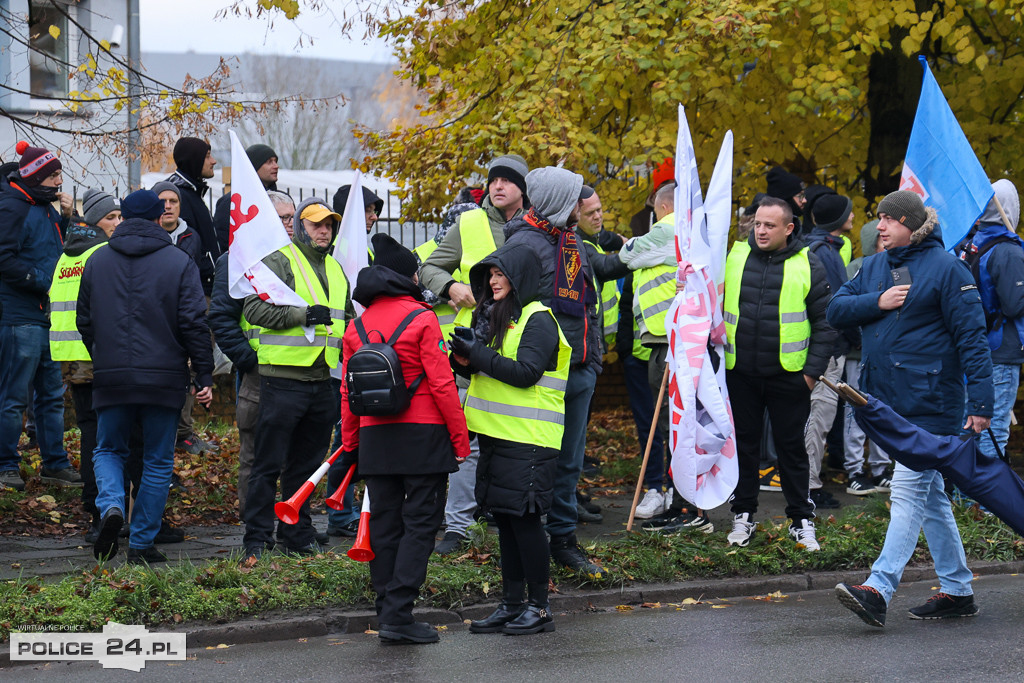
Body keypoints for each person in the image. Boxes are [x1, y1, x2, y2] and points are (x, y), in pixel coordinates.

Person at [830, 190, 993, 627]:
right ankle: (958, 590)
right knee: (932, 498)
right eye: (878, 218)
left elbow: (973, 339)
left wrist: (980, 402)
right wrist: (877, 302)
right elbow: (835, 310)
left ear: (911, 223)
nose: (880, 226)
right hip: (887, 402)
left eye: (889, 219)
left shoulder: (947, 268)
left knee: (907, 491)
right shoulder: (873, 267)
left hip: (933, 404)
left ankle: (878, 588)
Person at [339, 233, 469, 645]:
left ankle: (386, 608)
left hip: (376, 438)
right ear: (407, 278)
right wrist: (459, 440)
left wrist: (351, 440)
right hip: (424, 436)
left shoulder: (355, 327)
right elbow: (443, 384)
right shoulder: (422, 318)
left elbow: (347, 391)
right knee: (422, 524)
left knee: (384, 523)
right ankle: (398, 613)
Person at [79, 190, 213, 564]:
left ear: (122, 219)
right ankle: (141, 543)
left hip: (112, 377)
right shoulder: (179, 261)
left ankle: (109, 507)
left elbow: (84, 321)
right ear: (158, 219)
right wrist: (203, 373)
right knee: (156, 460)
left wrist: (104, 357)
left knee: (108, 449)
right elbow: (193, 323)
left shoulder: (97, 261)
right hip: (164, 379)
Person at [451, 243, 568, 636]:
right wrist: (464, 357)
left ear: (519, 278)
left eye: (501, 274)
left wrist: (478, 355)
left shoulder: (539, 320)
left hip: (531, 441)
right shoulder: (499, 319)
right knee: (506, 522)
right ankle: (512, 604)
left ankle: (540, 608)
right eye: (490, 275)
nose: (493, 281)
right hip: (499, 438)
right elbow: (488, 373)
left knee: (526, 522)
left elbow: (526, 372)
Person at [420, 153, 529, 556]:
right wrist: (450, 287)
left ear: (523, 189)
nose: (497, 186)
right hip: (467, 351)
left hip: (517, 349)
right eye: (493, 180)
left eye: (506, 180)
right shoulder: (469, 222)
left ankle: (506, 519)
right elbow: (429, 268)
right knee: (468, 442)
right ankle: (458, 526)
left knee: (511, 439)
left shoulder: (537, 226)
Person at [502, 166, 606, 576]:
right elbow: (502, 309)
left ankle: (563, 539)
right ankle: (530, 544)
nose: (582, 206)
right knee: (536, 461)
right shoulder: (522, 245)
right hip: (542, 375)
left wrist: (592, 361)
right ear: (559, 203)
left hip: (579, 369)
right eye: (574, 199)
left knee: (569, 461)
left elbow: (588, 305)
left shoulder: (571, 240)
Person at [723, 196, 836, 551]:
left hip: (789, 376)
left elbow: (825, 323)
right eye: (757, 223)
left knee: (792, 451)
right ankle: (742, 516)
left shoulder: (809, 263)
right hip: (740, 372)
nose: (760, 230)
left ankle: (801, 520)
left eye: (769, 225)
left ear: (789, 228)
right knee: (744, 447)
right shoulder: (735, 255)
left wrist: (811, 374)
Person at [241, 198, 351, 559]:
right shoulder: (280, 259)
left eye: (329, 225)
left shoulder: (336, 269)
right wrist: (302, 315)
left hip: (323, 380)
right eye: (316, 224)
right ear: (301, 227)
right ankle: (256, 537)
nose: (324, 230)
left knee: (306, 465)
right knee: (268, 463)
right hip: (283, 379)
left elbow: (347, 321)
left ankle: (295, 531)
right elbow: (254, 309)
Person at [620, 183, 712, 531]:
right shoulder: (693, 235)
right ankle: (681, 501)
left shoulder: (667, 230)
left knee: (675, 424)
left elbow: (627, 256)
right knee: (680, 422)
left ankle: (685, 506)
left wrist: (624, 242)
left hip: (670, 341)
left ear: (661, 207)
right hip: (675, 341)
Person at [0, 141, 81, 491]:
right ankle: (5, 465)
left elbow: (62, 251)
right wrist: (41, 281)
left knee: (49, 396)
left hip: (46, 319)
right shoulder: (12, 207)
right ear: (35, 177)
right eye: (54, 176)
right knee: (13, 397)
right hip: (19, 317)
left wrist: (66, 217)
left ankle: (55, 464)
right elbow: (4, 258)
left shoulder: (46, 208)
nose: (59, 182)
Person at [48, 190, 121, 539]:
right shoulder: (103, 253)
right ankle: (102, 508)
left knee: (90, 432)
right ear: (94, 221)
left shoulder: (67, 256)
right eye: (111, 218)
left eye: (120, 217)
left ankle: (95, 507)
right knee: (105, 437)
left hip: (73, 360)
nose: (118, 223)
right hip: (100, 356)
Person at [802, 193, 860, 509]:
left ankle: (805, 481)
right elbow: (840, 306)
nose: (853, 216)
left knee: (813, 415)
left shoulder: (809, 247)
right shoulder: (827, 254)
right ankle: (808, 487)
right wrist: (855, 338)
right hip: (828, 348)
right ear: (838, 220)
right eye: (848, 213)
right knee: (819, 416)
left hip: (812, 345)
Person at [961, 180, 1024, 469]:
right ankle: (986, 508)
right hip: (1000, 349)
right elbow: (1014, 304)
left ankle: (967, 500)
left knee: (972, 425)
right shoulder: (1008, 250)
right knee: (993, 428)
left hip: (975, 348)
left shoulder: (971, 244)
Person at [150, 180, 215, 456]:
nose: (168, 206)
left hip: (186, 316)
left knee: (189, 375)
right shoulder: (147, 235)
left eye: (173, 201)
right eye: (162, 202)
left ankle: (184, 434)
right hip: (156, 319)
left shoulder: (192, 237)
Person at [842, 219, 892, 495]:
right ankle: (855, 470)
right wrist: (859, 341)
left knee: (885, 409)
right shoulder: (856, 269)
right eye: (882, 238)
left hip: (887, 354)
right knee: (855, 409)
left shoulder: (897, 267)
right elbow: (846, 309)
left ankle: (881, 467)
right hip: (857, 354)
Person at [165, 136, 218, 294]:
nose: (213, 161)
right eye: (207, 156)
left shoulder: (192, 193)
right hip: (197, 289)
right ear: (194, 160)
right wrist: (207, 270)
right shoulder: (178, 196)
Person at [215, 143, 279, 254]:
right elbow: (225, 241)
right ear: (254, 166)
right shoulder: (230, 203)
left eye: (275, 161)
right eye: (269, 162)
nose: (276, 166)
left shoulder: (281, 199)